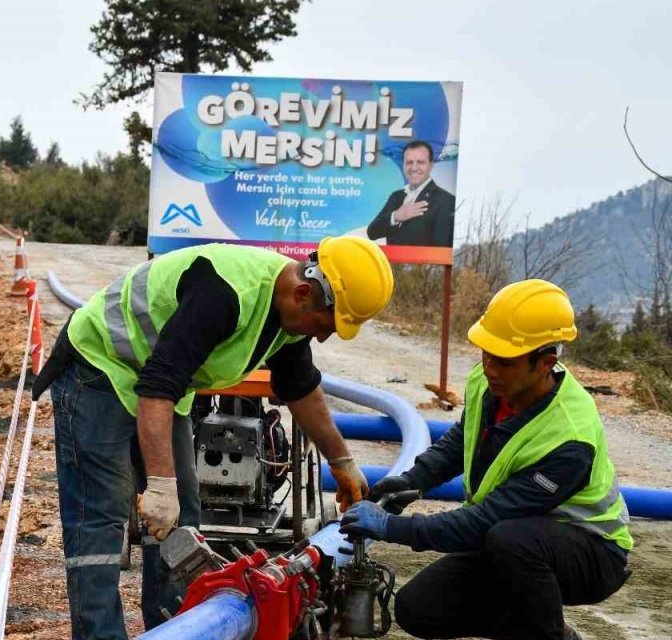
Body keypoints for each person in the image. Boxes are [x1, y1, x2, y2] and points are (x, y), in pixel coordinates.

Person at [32, 237, 395, 640]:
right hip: (98, 367)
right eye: (325, 325)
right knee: (101, 517)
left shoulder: (291, 312)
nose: (323, 338)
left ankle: (176, 631)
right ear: (304, 292)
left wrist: (341, 462)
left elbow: (300, 387)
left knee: (181, 518)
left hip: (161, 385)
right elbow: (158, 387)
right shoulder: (224, 294)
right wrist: (160, 485)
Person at [340, 279, 631, 640]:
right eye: (486, 354)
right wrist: (412, 481)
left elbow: (483, 522)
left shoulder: (570, 438)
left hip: (591, 553)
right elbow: (464, 439)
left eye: (504, 361)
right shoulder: (491, 381)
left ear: (545, 363)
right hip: (511, 539)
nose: (490, 367)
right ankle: (531, 628)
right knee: (418, 609)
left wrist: (391, 527)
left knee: (511, 540)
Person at [365, 140, 455, 247]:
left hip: (421, 264)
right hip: (391, 263)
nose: (414, 167)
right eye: (409, 162)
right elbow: (372, 232)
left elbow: (441, 249)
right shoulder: (396, 196)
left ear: (431, 165)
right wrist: (396, 216)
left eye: (420, 162)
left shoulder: (446, 200)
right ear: (403, 165)